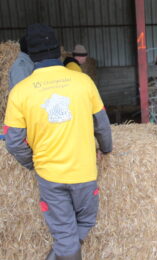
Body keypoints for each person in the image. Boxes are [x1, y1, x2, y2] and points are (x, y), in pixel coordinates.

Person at [4, 24, 112, 260]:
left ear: (30, 55)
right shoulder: (83, 82)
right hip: (84, 171)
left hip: (49, 176)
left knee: (64, 233)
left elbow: (12, 141)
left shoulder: (20, 92)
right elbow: (102, 125)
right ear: (58, 52)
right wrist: (106, 149)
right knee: (86, 220)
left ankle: (58, 254)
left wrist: (33, 163)